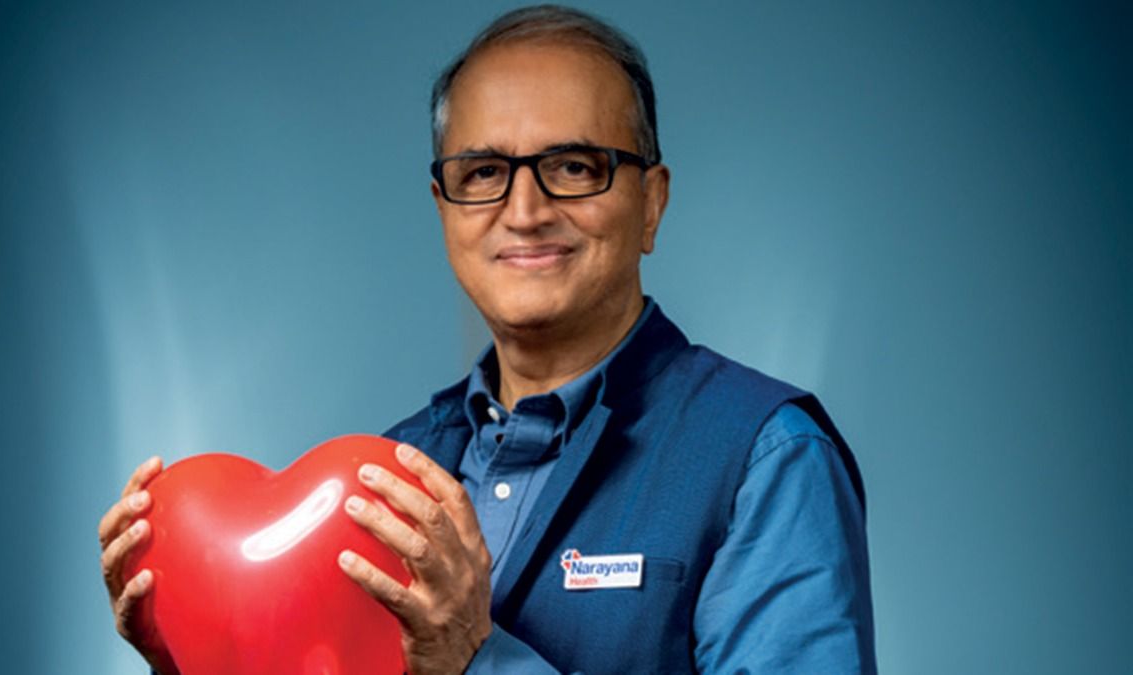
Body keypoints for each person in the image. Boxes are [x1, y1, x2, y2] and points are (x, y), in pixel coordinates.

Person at [98, 5, 876, 673]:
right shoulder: (394, 467)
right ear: (444, 208)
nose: (525, 211)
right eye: (482, 174)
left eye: (575, 166)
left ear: (651, 203)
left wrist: (477, 658)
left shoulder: (765, 457)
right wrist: (206, 646)